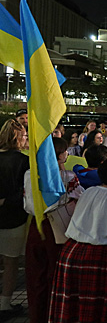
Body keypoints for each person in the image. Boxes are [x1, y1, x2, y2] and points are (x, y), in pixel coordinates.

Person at [48, 157, 107, 323]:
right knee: (95, 307)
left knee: (70, 304)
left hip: (70, 252)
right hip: (99, 257)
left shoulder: (87, 192)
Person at [24, 137, 83, 323]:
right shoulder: (68, 176)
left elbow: (28, 205)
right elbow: (79, 197)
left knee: (35, 276)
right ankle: (56, 315)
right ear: (60, 155)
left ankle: (37, 316)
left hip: (36, 226)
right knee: (56, 276)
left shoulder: (30, 174)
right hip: (59, 228)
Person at [0, 120, 29, 321]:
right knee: (11, 263)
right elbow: (25, 191)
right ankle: (4, 305)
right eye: (25, 135)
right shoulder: (23, 161)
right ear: (17, 138)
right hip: (15, 218)